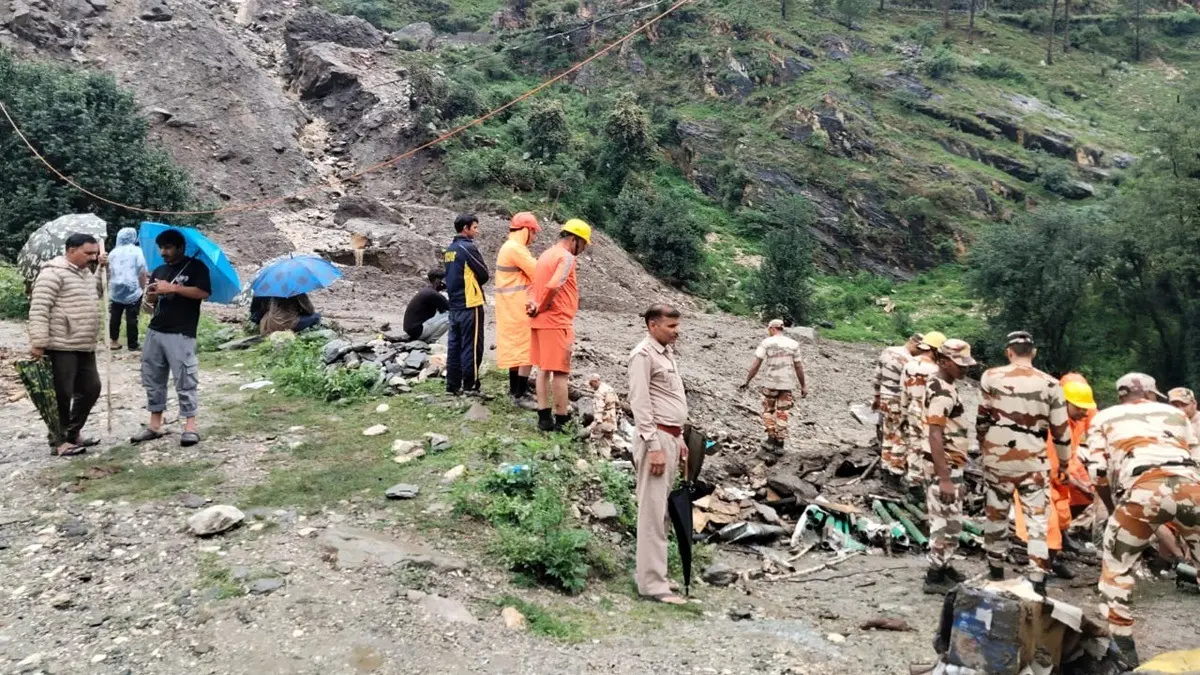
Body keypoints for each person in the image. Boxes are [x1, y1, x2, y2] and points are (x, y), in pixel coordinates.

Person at [1083, 372, 1200, 666]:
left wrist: (1113, 509)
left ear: (1121, 395)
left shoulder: (1103, 417)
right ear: (1150, 394)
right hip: (1192, 488)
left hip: (1142, 491)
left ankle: (1125, 653)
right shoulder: (1175, 414)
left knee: (1116, 569)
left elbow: (1098, 474)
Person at [976, 331, 1071, 595]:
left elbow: (982, 417)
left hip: (998, 460)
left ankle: (996, 572)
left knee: (995, 514)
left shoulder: (991, 377)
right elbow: (1061, 430)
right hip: (1034, 462)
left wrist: (986, 446)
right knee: (1037, 521)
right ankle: (1037, 579)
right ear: (1034, 352)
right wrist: (1064, 463)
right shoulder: (1051, 384)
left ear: (1009, 352)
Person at [628, 303, 689, 605]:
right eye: (671, 326)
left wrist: (680, 439)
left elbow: (669, 399)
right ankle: (652, 585)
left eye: (677, 326)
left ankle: (655, 573)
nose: (677, 332)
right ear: (653, 325)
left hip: (670, 439)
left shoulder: (665, 353)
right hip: (656, 441)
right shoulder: (642, 355)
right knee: (652, 512)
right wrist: (653, 446)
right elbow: (640, 404)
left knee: (662, 511)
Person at [131, 228, 211, 448]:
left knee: (185, 377)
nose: (163, 252)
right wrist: (153, 293)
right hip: (156, 330)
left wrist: (174, 288)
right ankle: (155, 425)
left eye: (167, 248)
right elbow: (150, 306)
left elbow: (203, 293)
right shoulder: (159, 270)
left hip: (181, 332)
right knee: (152, 377)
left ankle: (190, 427)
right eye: (161, 248)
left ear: (180, 248)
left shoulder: (196, 267)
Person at [27, 233, 105, 456]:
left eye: (94, 253)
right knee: (62, 393)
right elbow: (40, 308)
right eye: (88, 253)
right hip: (61, 343)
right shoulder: (52, 273)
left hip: (84, 343)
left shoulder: (85, 273)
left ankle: (73, 432)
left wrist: (101, 269)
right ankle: (58, 441)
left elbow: (97, 292)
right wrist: (38, 342)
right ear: (71, 250)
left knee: (91, 388)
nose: (92, 257)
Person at [1013, 374, 1097, 580]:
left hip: (1060, 473)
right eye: (1079, 408)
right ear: (1065, 403)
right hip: (1038, 477)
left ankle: (1054, 552)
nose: (1084, 412)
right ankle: (1045, 566)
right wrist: (1075, 480)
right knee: (1047, 527)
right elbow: (1053, 466)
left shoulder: (1076, 421)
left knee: (1065, 514)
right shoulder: (1053, 427)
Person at [921, 339, 976, 595]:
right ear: (943, 362)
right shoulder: (942, 392)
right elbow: (935, 434)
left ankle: (944, 564)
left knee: (952, 519)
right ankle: (934, 575)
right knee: (944, 521)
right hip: (944, 467)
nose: (965, 369)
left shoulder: (944, 384)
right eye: (960, 365)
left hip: (951, 464)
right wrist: (944, 478)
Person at [526, 219, 590, 432]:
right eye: (583, 245)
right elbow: (554, 284)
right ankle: (562, 420)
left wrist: (533, 305)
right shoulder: (567, 258)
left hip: (541, 321)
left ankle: (544, 418)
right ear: (574, 239)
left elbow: (534, 284)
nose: (583, 250)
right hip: (557, 321)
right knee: (561, 372)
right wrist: (543, 306)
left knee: (543, 369)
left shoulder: (546, 254)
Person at [738, 319, 807, 453]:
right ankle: (780, 442)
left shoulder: (766, 343)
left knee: (768, 411)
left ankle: (770, 439)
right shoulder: (793, 344)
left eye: (768, 329)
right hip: (787, 384)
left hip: (770, 383)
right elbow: (799, 366)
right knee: (783, 413)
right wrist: (803, 386)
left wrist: (747, 380)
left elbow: (756, 364)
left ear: (772, 328)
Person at [495, 212, 540, 404]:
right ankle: (521, 391)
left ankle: (515, 388)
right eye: (534, 233)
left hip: (509, 304)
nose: (535, 237)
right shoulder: (516, 249)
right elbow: (537, 271)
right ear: (527, 230)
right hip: (518, 305)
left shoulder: (509, 246)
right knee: (526, 349)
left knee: (515, 348)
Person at [443, 213, 490, 396]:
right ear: (466, 228)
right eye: (475, 227)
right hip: (470, 304)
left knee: (454, 345)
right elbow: (484, 273)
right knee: (472, 345)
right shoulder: (467, 247)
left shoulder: (450, 250)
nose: (477, 231)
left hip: (454, 305)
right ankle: (471, 385)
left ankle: (452, 385)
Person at [898, 331, 947, 496]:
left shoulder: (909, 364)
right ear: (935, 350)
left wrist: (904, 411)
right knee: (930, 448)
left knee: (914, 445)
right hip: (928, 412)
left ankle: (913, 481)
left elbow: (903, 390)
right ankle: (929, 484)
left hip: (912, 408)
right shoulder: (935, 370)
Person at [874, 334, 923, 485]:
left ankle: (884, 465)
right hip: (897, 399)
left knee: (887, 433)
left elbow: (877, 376)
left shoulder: (888, 351)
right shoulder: (910, 361)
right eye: (919, 349)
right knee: (900, 436)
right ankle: (895, 472)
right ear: (914, 344)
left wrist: (876, 396)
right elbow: (908, 386)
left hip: (884, 397)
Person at [106, 227, 148, 351]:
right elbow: (142, 271)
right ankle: (132, 344)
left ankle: (114, 341)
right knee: (132, 317)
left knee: (115, 316)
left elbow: (108, 271)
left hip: (115, 289)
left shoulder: (113, 252)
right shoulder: (136, 251)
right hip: (132, 288)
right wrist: (142, 287)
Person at [402, 271, 450, 342]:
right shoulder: (433, 294)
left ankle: (426, 339)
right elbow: (451, 307)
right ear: (437, 280)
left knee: (443, 313)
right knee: (451, 316)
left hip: (412, 329)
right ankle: (431, 341)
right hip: (418, 331)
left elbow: (441, 309)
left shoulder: (427, 290)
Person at [587, 373, 622, 458]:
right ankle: (606, 461)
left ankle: (595, 460)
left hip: (603, 421)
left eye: (591, 384)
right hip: (612, 421)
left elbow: (599, 409)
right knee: (606, 442)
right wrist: (619, 415)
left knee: (593, 440)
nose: (591, 386)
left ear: (595, 381)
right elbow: (618, 404)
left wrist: (596, 422)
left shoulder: (599, 393)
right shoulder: (610, 389)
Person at [254, 293, 320, 336]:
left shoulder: (272, 290)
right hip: (286, 324)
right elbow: (310, 310)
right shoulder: (296, 290)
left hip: (269, 323)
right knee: (317, 316)